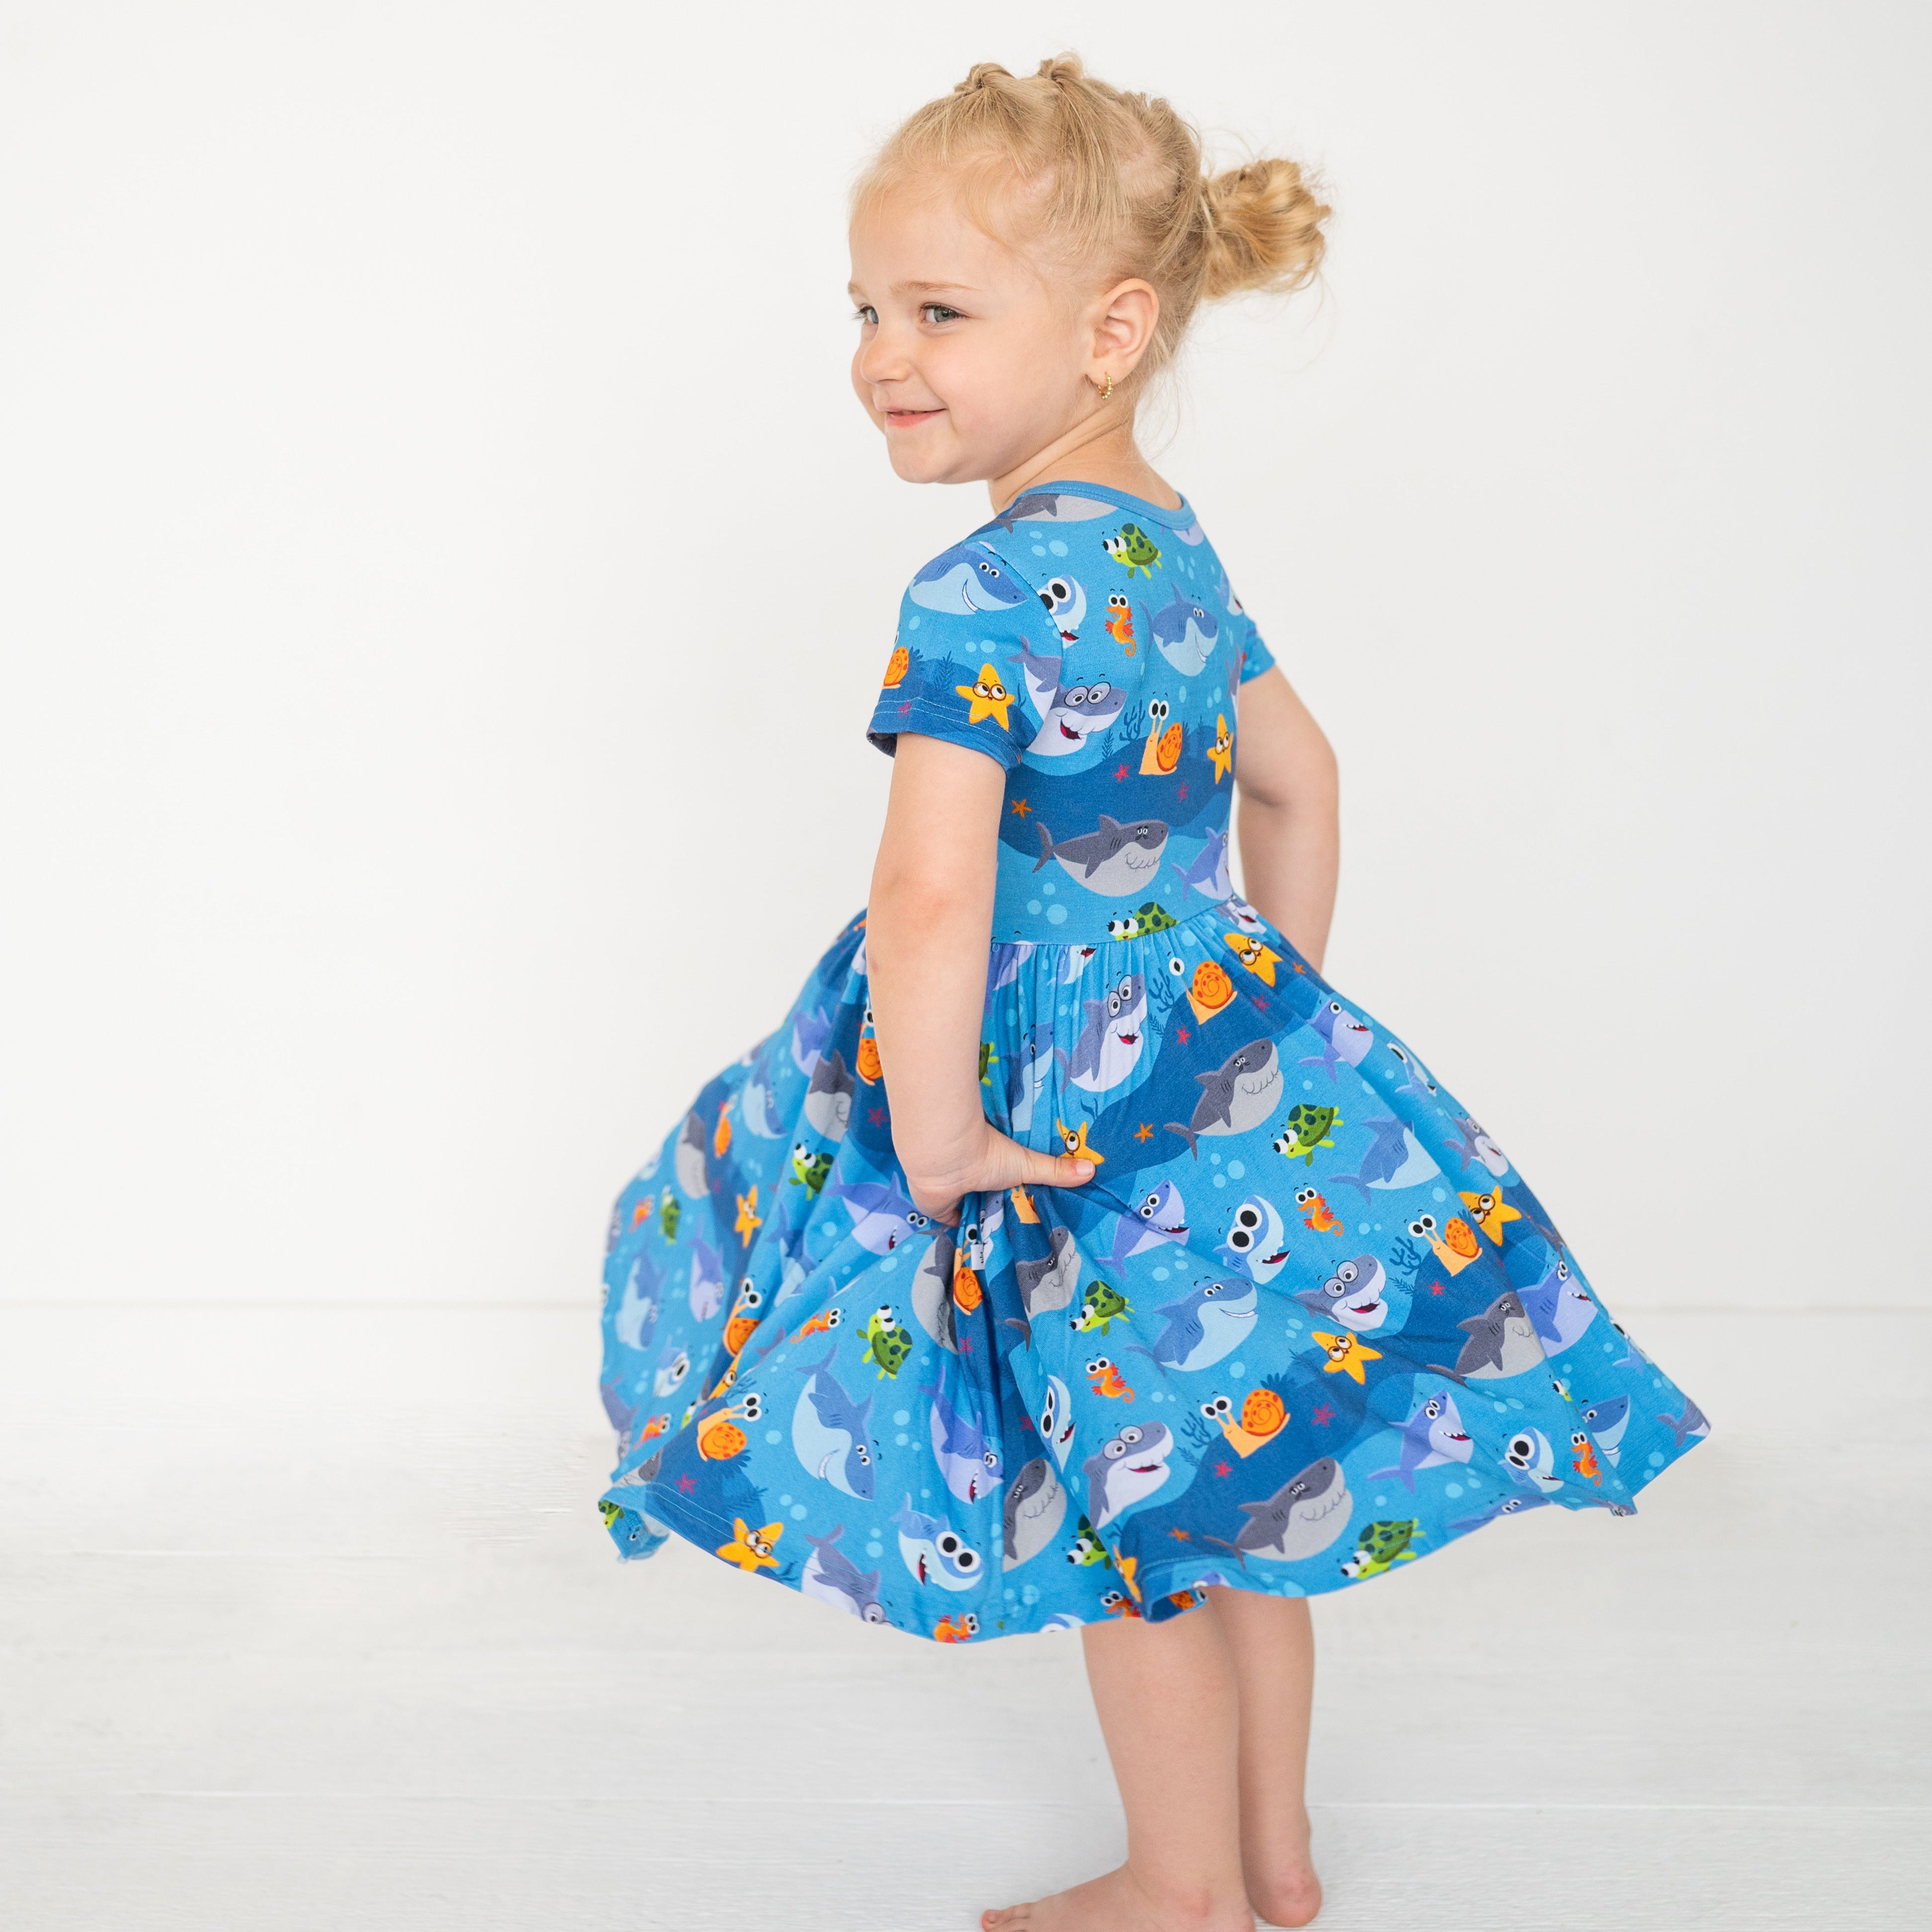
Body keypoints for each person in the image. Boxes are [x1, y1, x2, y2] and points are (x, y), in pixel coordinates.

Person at [595, 56, 1709, 1932]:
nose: (884, 352)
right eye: (864, 308)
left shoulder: (971, 594)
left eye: (940, 311)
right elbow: (1301, 778)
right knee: (1237, 1478)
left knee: (1125, 1499)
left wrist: (938, 1123)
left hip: (1038, 1103)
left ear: (1111, 331)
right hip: (1206, 1072)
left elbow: (929, 887)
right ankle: (1270, 1860)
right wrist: (1257, 1009)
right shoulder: (1168, 550)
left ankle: (1178, 1887)